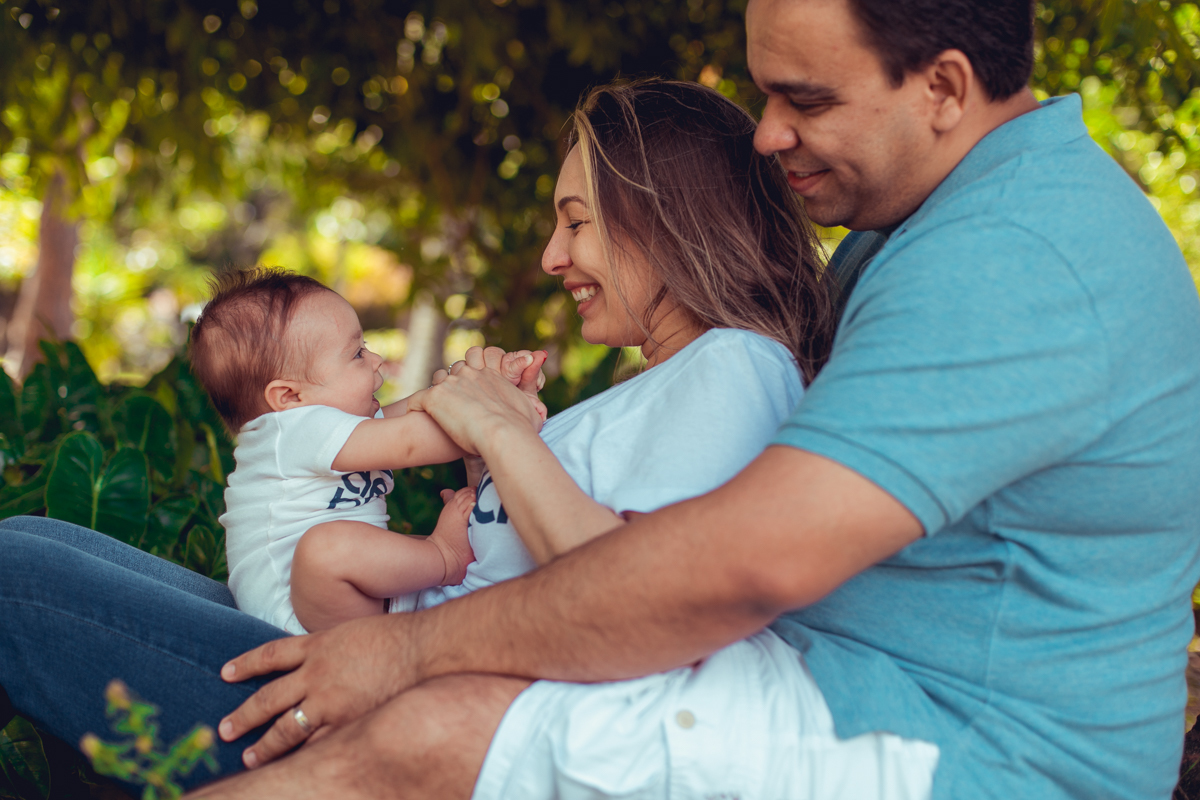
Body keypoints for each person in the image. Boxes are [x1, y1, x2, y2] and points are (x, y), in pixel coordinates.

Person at [187, 1, 1200, 799]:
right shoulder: (932, 221)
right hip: (840, 682)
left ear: (942, 87)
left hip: (966, 753)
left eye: (804, 99)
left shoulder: (1015, 256)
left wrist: (406, 650)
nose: (765, 135)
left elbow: (739, 562)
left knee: (436, 724)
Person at [0, 76, 839, 797]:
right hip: (366, 638)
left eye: (576, 223)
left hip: (384, 701)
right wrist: (485, 447)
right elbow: (551, 528)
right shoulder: (671, 379)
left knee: (17, 575)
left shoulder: (735, 366)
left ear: (665, 219)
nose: (553, 256)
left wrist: (497, 430)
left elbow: (649, 603)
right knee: (31, 542)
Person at [186, 268, 543, 634]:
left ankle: (437, 563)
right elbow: (410, 440)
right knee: (325, 550)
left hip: (349, 605)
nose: (376, 360)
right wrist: (500, 413)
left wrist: (490, 382)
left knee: (348, 547)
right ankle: (443, 557)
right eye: (356, 353)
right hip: (295, 620)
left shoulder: (330, 428)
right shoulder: (290, 431)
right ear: (290, 397)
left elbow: (425, 408)